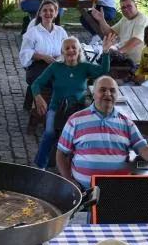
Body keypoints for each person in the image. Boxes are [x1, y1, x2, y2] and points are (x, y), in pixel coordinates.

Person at [56, 76, 148, 188]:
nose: (108, 93)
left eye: (112, 90)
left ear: (117, 95)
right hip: (83, 189)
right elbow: (61, 153)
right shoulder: (76, 120)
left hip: (117, 189)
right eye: (102, 90)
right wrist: (69, 180)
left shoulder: (127, 123)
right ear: (94, 94)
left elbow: (143, 149)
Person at [32, 35, 114, 168]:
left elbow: (104, 71)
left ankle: (78, 166)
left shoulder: (84, 67)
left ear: (79, 50)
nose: (71, 50)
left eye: (74, 47)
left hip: (78, 109)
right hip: (56, 107)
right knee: (49, 133)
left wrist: (105, 51)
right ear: (62, 52)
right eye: (67, 48)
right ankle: (41, 166)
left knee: (81, 136)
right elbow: (36, 84)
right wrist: (38, 97)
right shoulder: (55, 67)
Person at [19, 0, 68, 111]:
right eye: (45, 10)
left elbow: (67, 49)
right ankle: (51, 107)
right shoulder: (32, 32)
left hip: (57, 65)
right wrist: (43, 57)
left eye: (51, 10)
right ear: (40, 13)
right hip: (37, 66)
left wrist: (61, 57)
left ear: (55, 14)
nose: (48, 13)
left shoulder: (60, 31)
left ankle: (62, 106)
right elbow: (24, 53)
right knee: (55, 80)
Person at [87, 0, 148, 70]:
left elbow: (136, 40)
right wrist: (101, 20)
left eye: (129, 6)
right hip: (125, 59)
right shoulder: (125, 18)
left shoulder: (142, 19)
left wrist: (118, 53)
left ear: (136, 6)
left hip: (137, 64)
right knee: (94, 63)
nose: (126, 9)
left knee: (100, 67)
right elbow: (110, 33)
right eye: (123, 7)